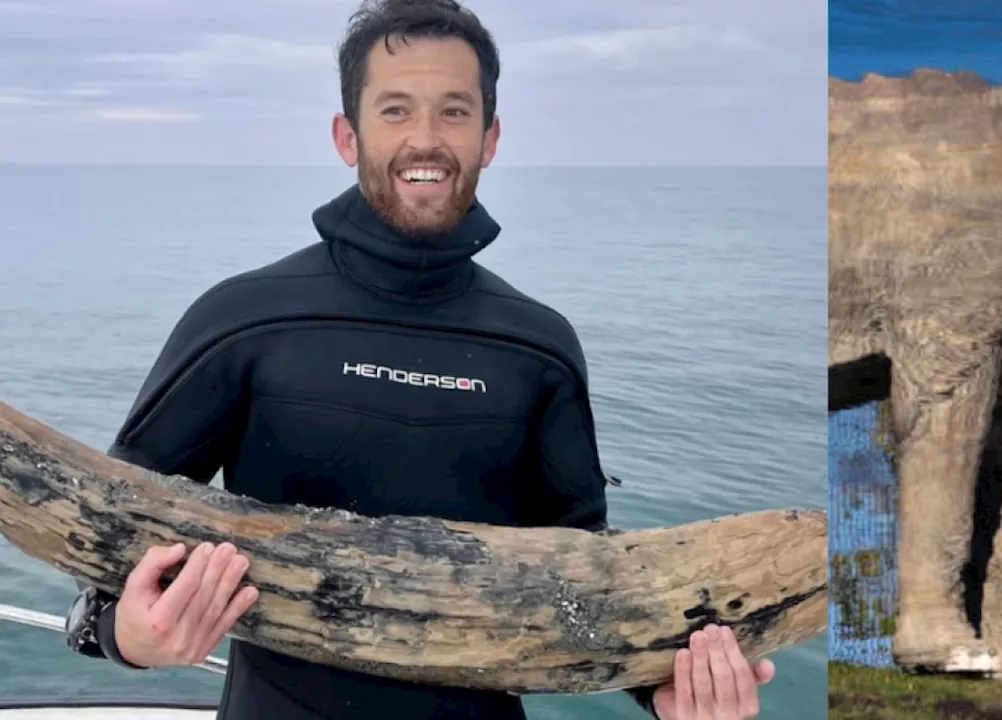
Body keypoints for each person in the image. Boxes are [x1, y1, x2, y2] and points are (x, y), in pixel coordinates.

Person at [60, 0, 778, 718]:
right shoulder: (244, 320)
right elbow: (102, 549)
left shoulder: (538, 346)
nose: (426, 140)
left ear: (490, 138)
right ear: (349, 135)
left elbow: (584, 588)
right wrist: (133, 637)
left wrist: (667, 692)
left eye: (454, 112)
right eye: (396, 110)